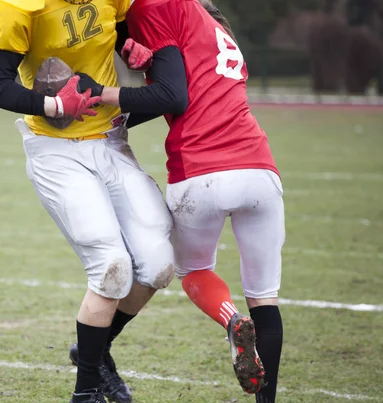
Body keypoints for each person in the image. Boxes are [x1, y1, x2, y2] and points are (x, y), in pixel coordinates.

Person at [78, 1, 285, 401]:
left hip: (201, 168)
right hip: (260, 169)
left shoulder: (158, 6)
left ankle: (230, 319)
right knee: (266, 298)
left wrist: (102, 97)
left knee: (193, 272)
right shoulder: (218, 33)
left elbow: (173, 96)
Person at [0, 1, 176, 402]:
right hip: (54, 148)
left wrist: (130, 47)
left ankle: (94, 354)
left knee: (158, 265)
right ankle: (85, 392)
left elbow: (117, 29)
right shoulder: (21, 6)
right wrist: (53, 105)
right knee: (111, 266)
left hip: (110, 140)